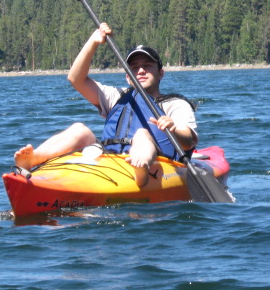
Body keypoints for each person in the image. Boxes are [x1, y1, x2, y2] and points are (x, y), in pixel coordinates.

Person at [13, 23, 198, 186]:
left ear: (161, 73)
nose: (140, 71)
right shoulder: (117, 96)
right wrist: (93, 42)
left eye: (147, 65)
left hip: (156, 162)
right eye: (134, 68)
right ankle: (34, 158)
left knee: (142, 134)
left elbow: (189, 141)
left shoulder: (175, 104)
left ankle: (141, 168)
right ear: (128, 77)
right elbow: (76, 79)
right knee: (79, 129)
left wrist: (173, 129)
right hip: (113, 160)